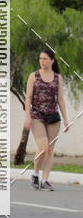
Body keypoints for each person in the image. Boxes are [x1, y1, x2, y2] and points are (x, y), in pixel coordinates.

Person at [24, 48, 70, 191]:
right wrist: (27, 116)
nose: (42, 61)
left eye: (45, 59)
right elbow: (28, 98)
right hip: (37, 115)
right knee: (43, 147)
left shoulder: (58, 78)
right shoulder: (34, 76)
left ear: (52, 60)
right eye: (40, 59)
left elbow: (60, 99)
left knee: (50, 150)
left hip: (53, 117)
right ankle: (35, 174)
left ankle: (44, 180)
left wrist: (66, 120)